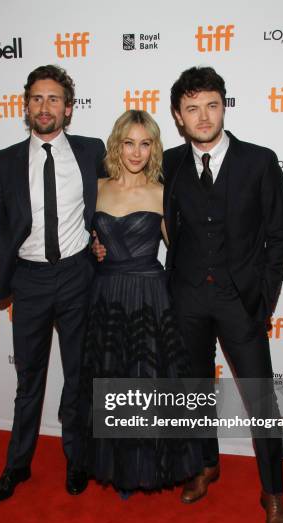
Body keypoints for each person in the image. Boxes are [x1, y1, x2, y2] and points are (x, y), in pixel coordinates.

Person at [94, 68, 283, 523]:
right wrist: (99, 243)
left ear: (224, 106)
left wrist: (262, 298)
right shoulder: (172, 165)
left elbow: (279, 236)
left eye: (211, 105)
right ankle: (205, 465)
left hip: (240, 301)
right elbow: (129, 202)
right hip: (183, 298)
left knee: (261, 398)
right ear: (178, 117)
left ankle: (274, 492)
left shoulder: (260, 162)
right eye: (191, 108)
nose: (202, 116)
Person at [0, 64, 106, 503]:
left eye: (54, 99)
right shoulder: (6, 159)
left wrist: (104, 242)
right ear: (25, 105)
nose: (44, 106)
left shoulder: (91, 152)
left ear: (69, 109)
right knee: (28, 379)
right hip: (28, 282)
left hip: (77, 277)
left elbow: (115, 204)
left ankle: (77, 460)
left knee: (78, 378)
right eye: (36, 98)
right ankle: (17, 466)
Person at [81, 109, 205, 492]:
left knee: (147, 382)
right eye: (130, 142)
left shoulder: (161, 192)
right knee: (112, 376)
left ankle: (148, 466)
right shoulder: (96, 187)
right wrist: (92, 247)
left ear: (155, 148)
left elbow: (182, 249)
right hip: (106, 295)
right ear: (118, 143)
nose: (136, 153)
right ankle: (118, 466)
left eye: (145, 144)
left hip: (151, 296)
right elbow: (78, 236)